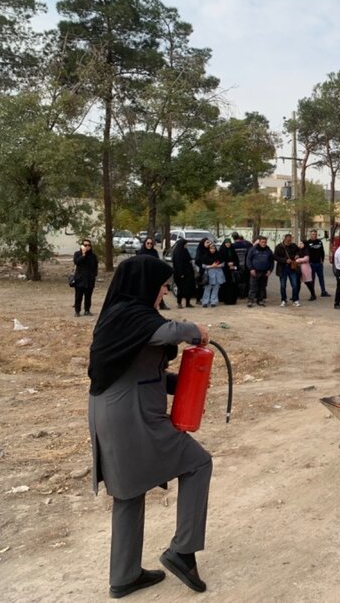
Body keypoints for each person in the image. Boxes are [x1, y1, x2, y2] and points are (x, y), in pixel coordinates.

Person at [87, 256, 212, 598]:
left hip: (117, 410)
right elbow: (168, 332)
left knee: (130, 490)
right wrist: (194, 330)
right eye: (161, 285)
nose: (164, 292)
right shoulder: (128, 316)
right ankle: (182, 551)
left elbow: (143, 370)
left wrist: (186, 383)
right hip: (130, 415)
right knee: (198, 463)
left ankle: (125, 575)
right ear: (144, 284)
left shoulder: (125, 317)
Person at [73, 238, 99, 317]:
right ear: (82, 246)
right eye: (85, 245)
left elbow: (95, 266)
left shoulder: (93, 256)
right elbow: (77, 262)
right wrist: (83, 255)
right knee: (78, 296)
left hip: (89, 279)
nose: (87, 246)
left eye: (89, 245)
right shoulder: (77, 254)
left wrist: (94, 275)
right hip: (80, 279)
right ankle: (77, 311)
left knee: (88, 296)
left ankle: (87, 310)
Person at [245, 236, 273, 307]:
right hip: (255, 271)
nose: (264, 243)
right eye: (262, 242)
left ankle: (260, 300)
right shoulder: (253, 249)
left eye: (265, 242)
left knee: (262, 287)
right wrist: (251, 269)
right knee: (253, 287)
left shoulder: (268, 250)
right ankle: (250, 301)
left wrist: (270, 270)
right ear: (259, 242)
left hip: (265, 272)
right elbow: (248, 259)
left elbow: (271, 261)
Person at [274, 233, 301, 308]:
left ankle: (295, 300)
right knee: (283, 285)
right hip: (282, 268)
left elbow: (299, 251)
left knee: (295, 285)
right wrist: (285, 260)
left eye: (290, 240)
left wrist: (297, 255)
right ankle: (283, 300)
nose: (289, 242)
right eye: (288, 240)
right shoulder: (279, 247)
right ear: (284, 239)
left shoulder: (294, 246)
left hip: (292, 268)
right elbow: (275, 257)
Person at [171, 239, 196, 309]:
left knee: (189, 288)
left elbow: (189, 259)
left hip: (188, 273)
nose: (186, 245)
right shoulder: (177, 252)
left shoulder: (185, 251)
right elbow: (178, 264)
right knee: (181, 289)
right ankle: (179, 303)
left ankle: (188, 303)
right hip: (181, 273)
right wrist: (181, 273)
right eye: (185, 244)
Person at [305, 229, 330, 297]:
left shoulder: (319, 242)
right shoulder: (307, 243)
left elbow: (322, 251)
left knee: (321, 278)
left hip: (319, 263)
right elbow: (305, 253)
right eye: (313, 234)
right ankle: (312, 293)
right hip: (311, 264)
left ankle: (323, 291)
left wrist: (322, 260)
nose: (314, 236)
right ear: (310, 235)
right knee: (312, 279)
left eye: (315, 234)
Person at [200, 243, 225, 308]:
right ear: (209, 249)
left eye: (214, 248)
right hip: (209, 273)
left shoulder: (218, 255)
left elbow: (223, 264)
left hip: (218, 273)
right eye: (211, 248)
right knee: (208, 287)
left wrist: (218, 265)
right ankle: (205, 302)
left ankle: (213, 301)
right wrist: (211, 266)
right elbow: (203, 265)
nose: (212, 250)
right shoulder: (205, 256)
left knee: (216, 287)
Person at [217, 238, 239, 305]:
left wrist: (233, 264)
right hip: (224, 270)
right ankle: (225, 299)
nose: (228, 244)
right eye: (226, 243)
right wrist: (227, 264)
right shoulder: (221, 250)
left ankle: (232, 300)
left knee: (233, 285)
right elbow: (220, 260)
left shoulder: (232, 250)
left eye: (229, 243)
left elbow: (236, 260)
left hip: (232, 270)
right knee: (225, 285)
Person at [231, 233, 252, 299]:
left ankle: (238, 294)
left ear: (233, 238)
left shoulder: (232, 246)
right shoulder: (246, 245)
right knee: (245, 280)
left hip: (236, 265)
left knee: (236, 280)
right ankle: (244, 294)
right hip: (246, 265)